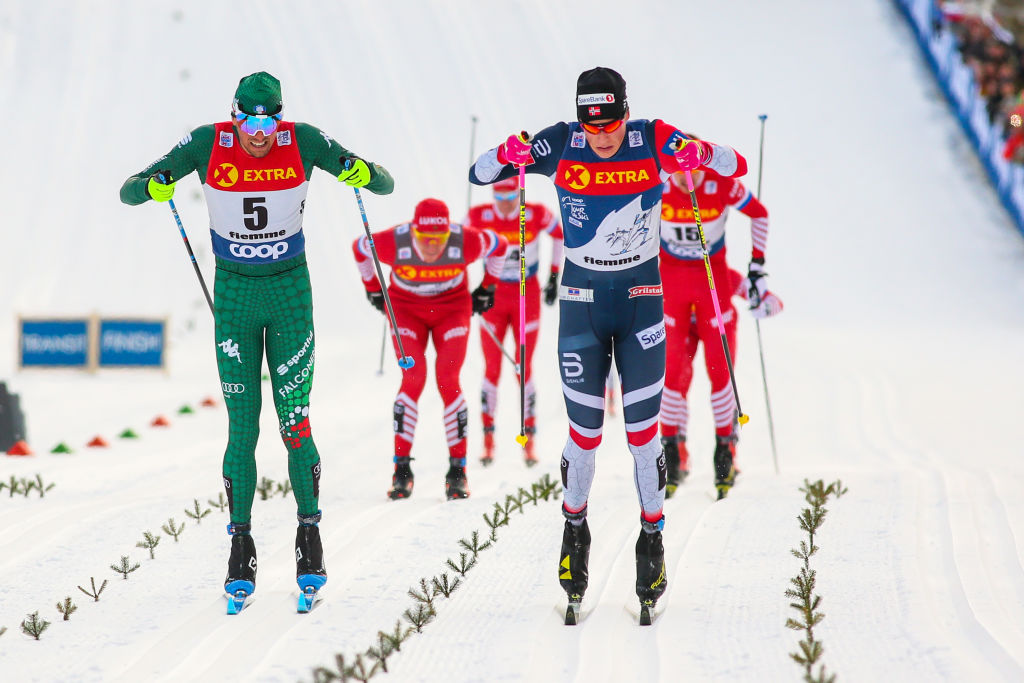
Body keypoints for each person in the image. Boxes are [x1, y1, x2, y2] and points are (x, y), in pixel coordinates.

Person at [469, 66, 748, 616]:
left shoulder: (652, 137)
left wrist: (701, 153)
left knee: (644, 437)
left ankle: (652, 538)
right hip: (580, 306)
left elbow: (734, 164)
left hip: (644, 301)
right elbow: (478, 174)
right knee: (587, 434)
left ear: (625, 110)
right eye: (591, 126)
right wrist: (508, 153)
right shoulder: (560, 141)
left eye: (611, 123)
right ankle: (575, 532)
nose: (601, 136)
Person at [120, 71, 395, 606]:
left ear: (281, 116)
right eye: (249, 118)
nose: (259, 131)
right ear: (234, 114)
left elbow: (383, 183)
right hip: (235, 298)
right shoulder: (207, 142)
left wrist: (361, 172)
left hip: (290, 293)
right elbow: (130, 189)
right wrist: (154, 185)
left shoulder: (304, 140)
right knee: (242, 428)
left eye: (270, 119)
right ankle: (239, 546)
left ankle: (309, 538)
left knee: (295, 420)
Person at [352, 198, 508, 501]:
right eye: (425, 239)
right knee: (413, 379)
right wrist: (372, 287)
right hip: (406, 309)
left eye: (440, 239)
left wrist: (488, 287)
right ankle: (401, 470)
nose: (433, 246)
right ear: (414, 231)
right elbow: (360, 247)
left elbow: (500, 244)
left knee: (448, 380)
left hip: (452, 308)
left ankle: (458, 472)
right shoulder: (395, 241)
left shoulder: (466, 240)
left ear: (449, 232)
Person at [658, 165, 783, 499]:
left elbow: (759, 214)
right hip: (674, 289)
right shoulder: (659, 182)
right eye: (678, 174)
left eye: (691, 174)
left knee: (720, 373)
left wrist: (758, 270)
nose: (685, 181)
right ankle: (672, 454)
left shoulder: (721, 185)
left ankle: (725, 454)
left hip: (711, 288)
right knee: (672, 376)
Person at [462, 177, 564, 466]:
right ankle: (488, 441)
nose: (506, 204)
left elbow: (560, 234)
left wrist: (554, 276)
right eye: (500, 197)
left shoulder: (534, 213)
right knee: (492, 367)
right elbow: (457, 244)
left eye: (510, 197)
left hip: (525, 293)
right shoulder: (479, 215)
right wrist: (470, 286)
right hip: (494, 295)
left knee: (523, 367)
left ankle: (528, 441)